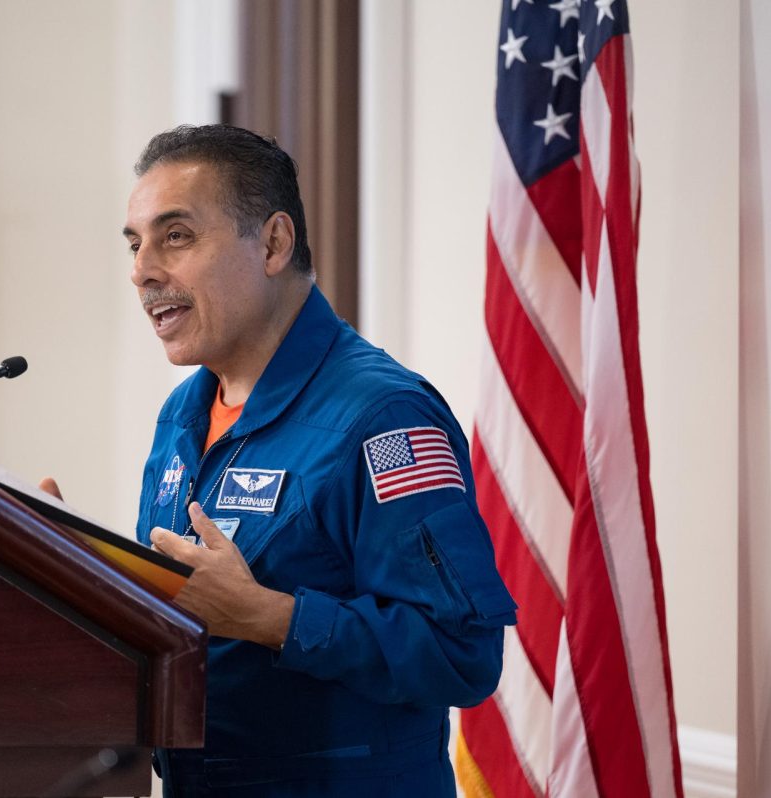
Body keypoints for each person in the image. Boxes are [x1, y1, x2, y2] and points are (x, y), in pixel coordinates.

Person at [122, 124, 516, 797]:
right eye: (135, 245)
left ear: (273, 243)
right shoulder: (181, 417)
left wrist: (269, 618)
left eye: (176, 236)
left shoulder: (383, 417)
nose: (143, 270)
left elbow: (462, 654)